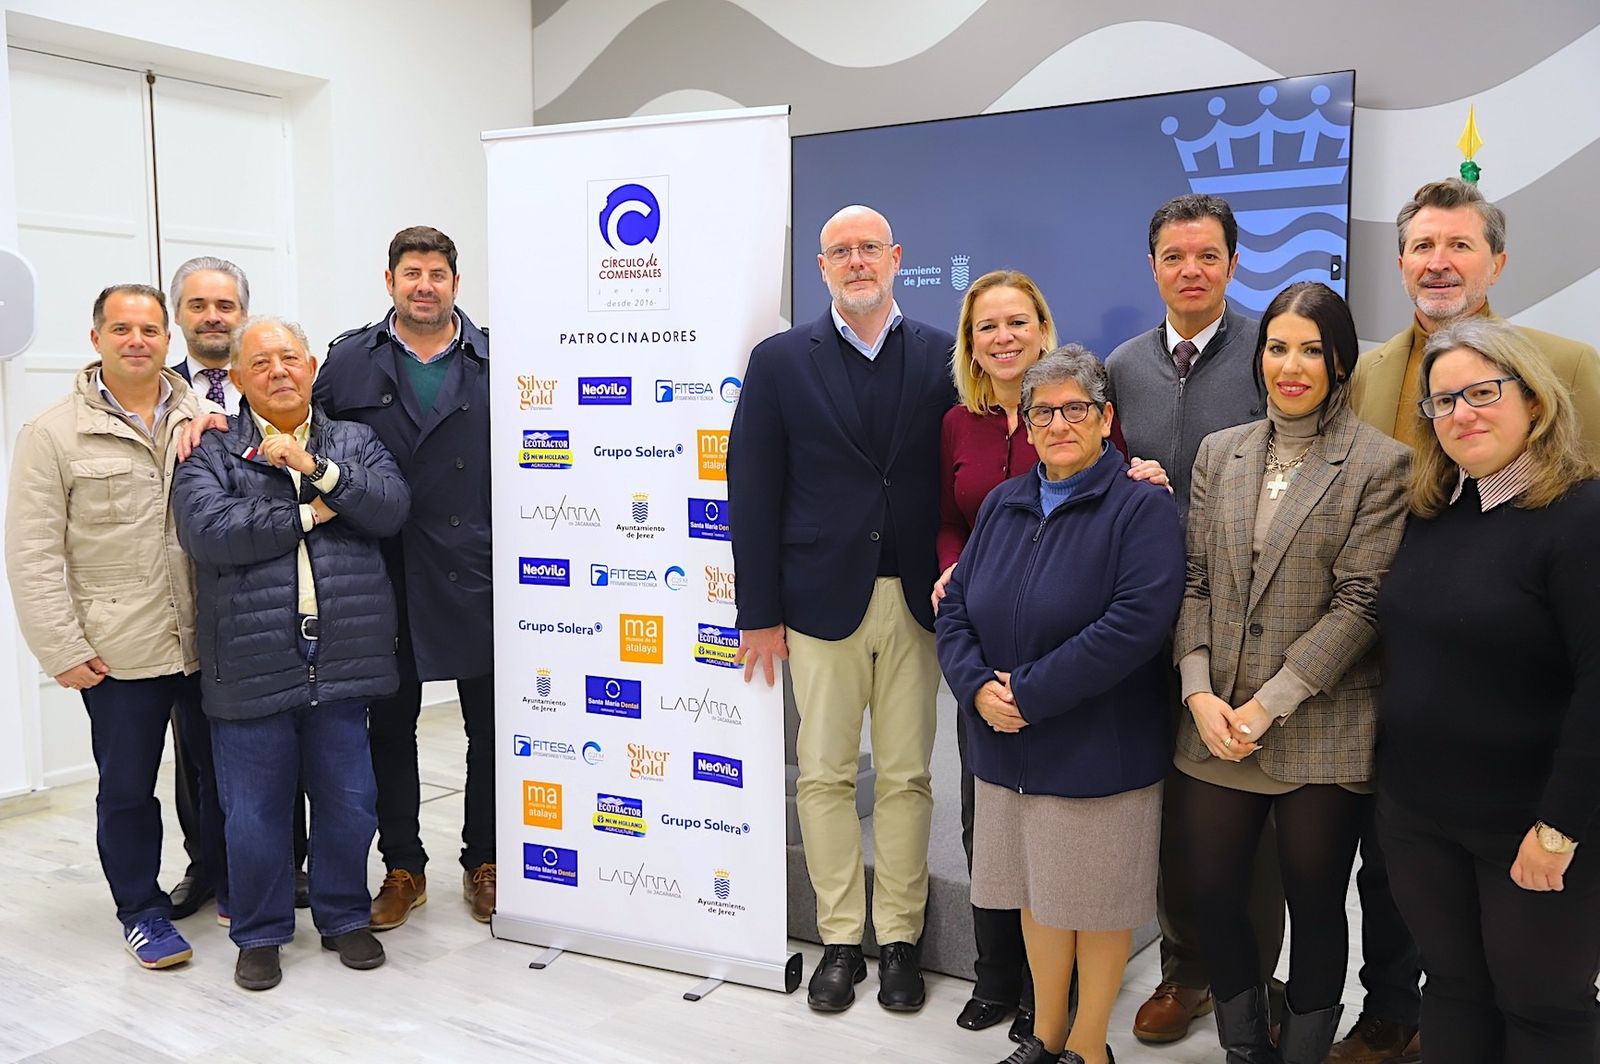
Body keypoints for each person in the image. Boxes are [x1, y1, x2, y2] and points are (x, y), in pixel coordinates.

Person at [1337, 176, 1600, 1064]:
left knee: (1542, 1008)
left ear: (1534, 397)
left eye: (1485, 394)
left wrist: (1563, 821)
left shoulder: (1578, 510)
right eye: (1445, 402)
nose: (1462, 413)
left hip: (1531, 819)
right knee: (1453, 991)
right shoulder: (1433, 508)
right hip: (1419, 811)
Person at [1171, 282, 1410, 1063]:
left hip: (1321, 723)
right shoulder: (1222, 452)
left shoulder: (1381, 464)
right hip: (1215, 716)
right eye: (1278, 347)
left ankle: (1303, 1049)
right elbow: (1198, 580)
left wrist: (1267, 706)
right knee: (1210, 893)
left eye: (1311, 349)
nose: (1292, 365)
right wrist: (1200, 691)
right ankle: (1245, 1045)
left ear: (1339, 360)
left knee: (1315, 906)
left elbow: (1361, 602)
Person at [729, 204, 955, 1014]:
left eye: (869, 248)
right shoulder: (781, 361)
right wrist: (756, 611)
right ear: (819, 267)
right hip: (814, 603)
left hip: (915, 599)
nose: (856, 261)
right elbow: (750, 490)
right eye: (839, 252)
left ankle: (898, 938)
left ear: (896, 257)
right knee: (823, 776)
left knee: (906, 775)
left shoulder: (943, 354)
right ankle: (840, 941)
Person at [936, 347, 1184, 1064]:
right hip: (1006, 745)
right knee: (1037, 897)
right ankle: (1044, 1036)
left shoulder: (1140, 506)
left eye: (1077, 408)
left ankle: (1088, 1045)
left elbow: (1135, 623)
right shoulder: (1006, 504)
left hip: (1097, 747)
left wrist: (1029, 693)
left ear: (1106, 419)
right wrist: (977, 687)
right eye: (1043, 411)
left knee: (1095, 905)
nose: (1059, 422)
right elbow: (956, 611)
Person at [173, 316, 410, 991]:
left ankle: (343, 918)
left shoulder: (353, 441)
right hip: (249, 661)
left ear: (311, 366)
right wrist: (310, 512)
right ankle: (260, 931)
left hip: (344, 659)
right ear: (240, 377)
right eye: (261, 362)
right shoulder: (213, 448)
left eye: (289, 358)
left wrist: (316, 471)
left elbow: (389, 508)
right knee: (252, 815)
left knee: (350, 802)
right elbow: (210, 532)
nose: (278, 371)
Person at [1104, 193, 1280, 1044]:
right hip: (1149, 624)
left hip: (1252, 621)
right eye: (1174, 257)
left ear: (1233, 263)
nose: (1191, 271)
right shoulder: (1122, 366)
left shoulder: (1270, 355)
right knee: (1174, 807)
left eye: (1207, 256)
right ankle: (1186, 973)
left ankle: (1257, 981)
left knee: (1250, 806)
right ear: (1152, 267)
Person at [4, 284, 219, 969]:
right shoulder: (51, 434)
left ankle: (223, 881)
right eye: (122, 328)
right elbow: (32, 552)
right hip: (117, 650)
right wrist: (60, 647)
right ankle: (142, 912)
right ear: (96, 338)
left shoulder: (206, 415)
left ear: (167, 339)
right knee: (127, 788)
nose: (137, 340)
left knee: (219, 778)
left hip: (208, 641)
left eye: (151, 329)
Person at [314, 226, 497, 928]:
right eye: (411, 272)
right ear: (388, 280)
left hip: (478, 571)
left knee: (489, 729)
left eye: (438, 274)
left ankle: (485, 859)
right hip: (381, 574)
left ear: (456, 283)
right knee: (390, 727)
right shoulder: (347, 361)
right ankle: (403, 866)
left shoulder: (496, 359)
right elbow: (307, 431)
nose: (425, 284)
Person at [164, 255, 248, 920]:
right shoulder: (160, 397)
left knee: (280, 748)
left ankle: (286, 864)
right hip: (187, 608)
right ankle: (207, 867)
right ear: (180, 315)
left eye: (224, 306)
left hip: (266, 602)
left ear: (242, 315)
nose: (212, 317)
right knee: (194, 749)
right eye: (199, 305)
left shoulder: (276, 380)